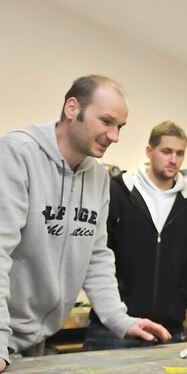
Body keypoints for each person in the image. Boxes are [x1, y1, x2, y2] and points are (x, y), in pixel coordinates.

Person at [0, 75, 170, 370]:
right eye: (106, 121)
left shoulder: (98, 177)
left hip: (34, 341)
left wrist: (119, 319)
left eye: (120, 127)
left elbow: (96, 255)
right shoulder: (17, 154)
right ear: (71, 108)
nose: (114, 136)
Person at [83, 120, 187, 351]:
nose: (173, 159)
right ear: (149, 151)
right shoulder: (117, 192)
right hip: (112, 328)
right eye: (166, 151)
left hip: (168, 329)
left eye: (179, 153)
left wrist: (179, 302)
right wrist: (116, 302)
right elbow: (98, 251)